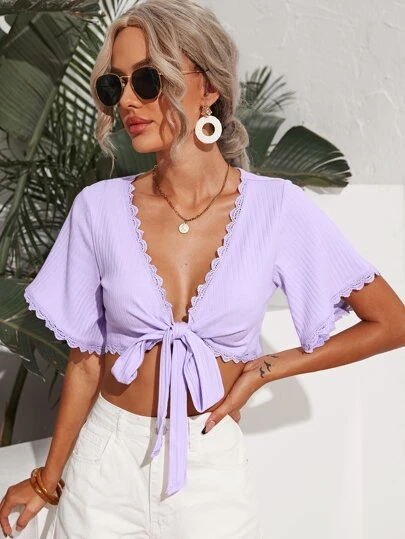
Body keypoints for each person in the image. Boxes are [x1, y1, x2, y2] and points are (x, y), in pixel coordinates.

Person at [1, 0, 405, 537]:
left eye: (148, 80)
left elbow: (391, 321)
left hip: (209, 466)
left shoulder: (275, 209)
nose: (128, 100)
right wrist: (47, 481)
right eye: (115, 85)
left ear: (209, 86)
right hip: (105, 464)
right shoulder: (98, 209)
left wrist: (266, 368)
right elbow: (86, 363)